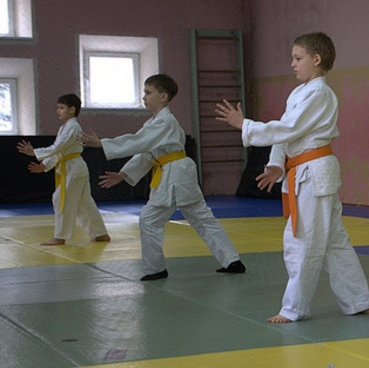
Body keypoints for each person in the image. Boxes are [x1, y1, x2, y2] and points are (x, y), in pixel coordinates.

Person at [214, 32, 369, 323]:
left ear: (316, 59)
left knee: (303, 240)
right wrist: (277, 163)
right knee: (333, 242)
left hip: (314, 171)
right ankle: (358, 300)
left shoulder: (320, 94)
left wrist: (244, 125)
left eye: (298, 58)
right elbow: (287, 130)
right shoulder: (300, 93)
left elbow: (288, 129)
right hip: (306, 170)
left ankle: (294, 308)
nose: (292, 64)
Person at [79, 74, 245, 281]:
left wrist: (102, 143)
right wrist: (123, 174)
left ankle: (155, 268)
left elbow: (138, 142)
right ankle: (232, 260)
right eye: (144, 93)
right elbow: (147, 152)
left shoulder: (164, 122)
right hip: (177, 172)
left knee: (150, 219)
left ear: (163, 96)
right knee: (202, 218)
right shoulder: (155, 122)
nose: (144, 97)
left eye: (148, 93)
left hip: (174, 174)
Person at [16, 94, 110, 246]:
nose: (58, 111)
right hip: (74, 168)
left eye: (61, 108)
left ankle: (60, 236)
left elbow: (58, 148)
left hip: (74, 169)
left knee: (61, 199)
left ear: (72, 109)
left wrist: (35, 152)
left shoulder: (73, 127)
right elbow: (59, 152)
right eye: (58, 108)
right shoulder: (64, 128)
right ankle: (100, 234)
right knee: (84, 203)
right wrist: (45, 165)